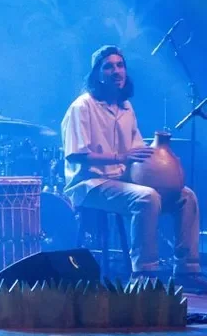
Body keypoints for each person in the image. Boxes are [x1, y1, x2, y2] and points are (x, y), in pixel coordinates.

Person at [61, 45, 207, 291]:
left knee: (186, 195)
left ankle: (186, 270)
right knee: (146, 197)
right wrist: (121, 156)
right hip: (91, 184)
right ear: (97, 74)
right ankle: (144, 273)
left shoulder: (127, 108)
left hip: (123, 180)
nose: (116, 71)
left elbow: (139, 152)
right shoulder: (82, 106)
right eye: (108, 66)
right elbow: (76, 154)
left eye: (120, 65)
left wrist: (166, 161)